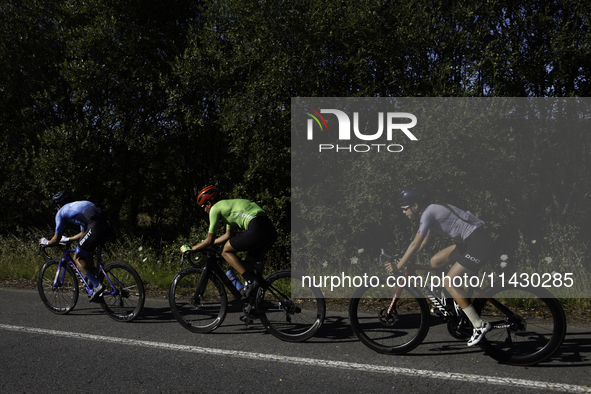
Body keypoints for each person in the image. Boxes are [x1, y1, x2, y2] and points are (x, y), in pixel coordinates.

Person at [385, 185, 494, 346]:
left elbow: (415, 244)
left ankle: (479, 325)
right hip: (473, 241)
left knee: (449, 282)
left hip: (479, 243)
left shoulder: (428, 213)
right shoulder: (429, 212)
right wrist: (405, 257)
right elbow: (423, 242)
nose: (403, 212)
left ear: (415, 206)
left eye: (405, 208)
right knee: (436, 261)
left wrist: (398, 266)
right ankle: (449, 302)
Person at [182, 185, 277, 300]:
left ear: (208, 203)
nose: (204, 210)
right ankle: (254, 304)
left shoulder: (215, 208)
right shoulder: (228, 207)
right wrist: (207, 243)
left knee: (225, 250)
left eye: (203, 207)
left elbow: (210, 240)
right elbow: (227, 236)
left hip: (257, 227)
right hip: (268, 229)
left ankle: (251, 282)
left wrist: (192, 248)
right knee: (247, 266)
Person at [39, 191, 114, 302]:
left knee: (77, 257)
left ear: (58, 205)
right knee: (86, 250)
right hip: (106, 225)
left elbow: (56, 238)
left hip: (95, 225)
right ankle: (92, 277)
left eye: (56, 208)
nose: (56, 210)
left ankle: (97, 285)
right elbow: (83, 233)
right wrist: (69, 239)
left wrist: (46, 242)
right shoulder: (79, 206)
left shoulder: (60, 212)